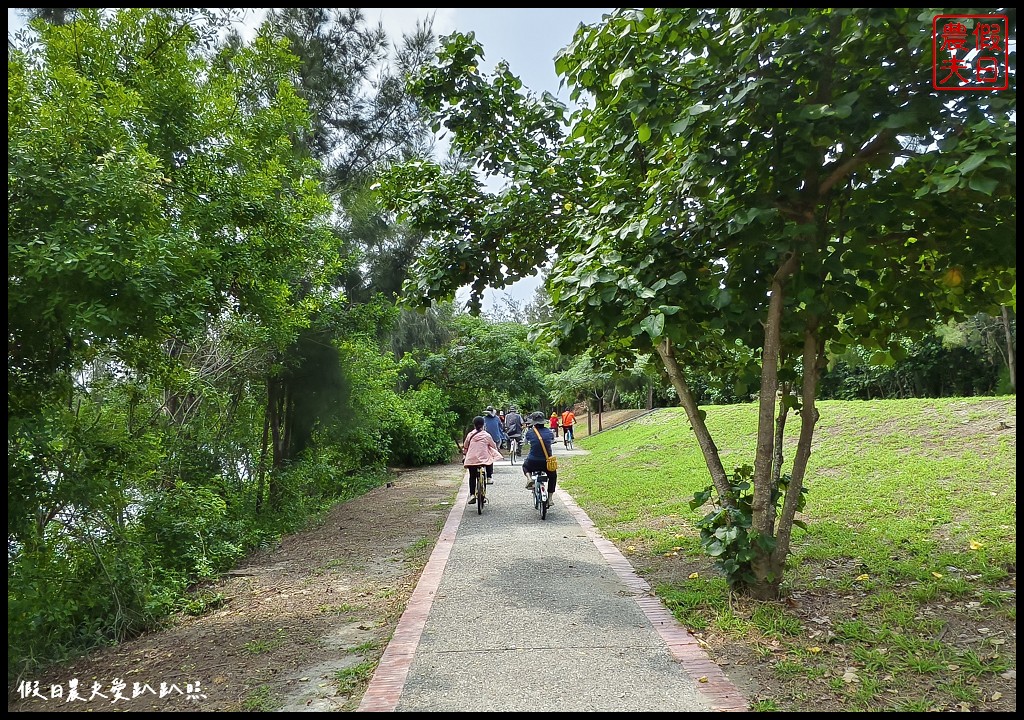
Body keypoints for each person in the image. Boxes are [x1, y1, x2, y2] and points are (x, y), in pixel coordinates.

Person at [461, 416, 502, 504]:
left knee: (472, 476)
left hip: (471, 460)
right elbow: (493, 446)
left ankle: (472, 494)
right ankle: (489, 477)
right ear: (483, 425)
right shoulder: (486, 435)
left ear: (474, 425)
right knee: (489, 458)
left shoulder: (470, 434)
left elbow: (465, 446)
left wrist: (464, 454)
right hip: (483, 459)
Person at [521, 411, 557, 500]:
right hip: (546, 462)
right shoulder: (549, 432)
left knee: (525, 466)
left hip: (533, 461)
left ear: (533, 422)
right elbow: (552, 441)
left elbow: (525, 442)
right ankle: (550, 499)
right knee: (553, 476)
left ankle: (529, 479)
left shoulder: (529, 432)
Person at [482, 406, 507, 473]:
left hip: (487, 439)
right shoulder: (496, 418)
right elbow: (500, 427)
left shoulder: (484, 419)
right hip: (494, 438)